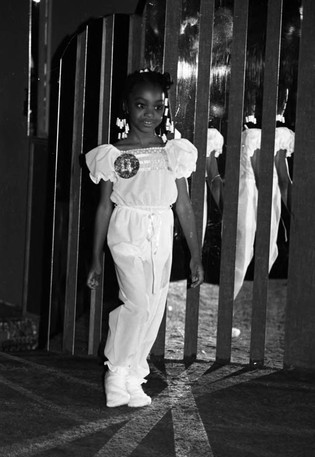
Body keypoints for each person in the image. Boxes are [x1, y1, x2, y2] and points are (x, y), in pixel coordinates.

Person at [85, 69, 204, 408]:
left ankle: (134, 376)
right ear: (126, 107)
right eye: (141, 105)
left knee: (152, 308)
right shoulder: (115, 154)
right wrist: (95, 257)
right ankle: (116, 369)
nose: (149, 114)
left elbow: (183, 204)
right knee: (135, 303)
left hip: (161, 232)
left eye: (157, 107)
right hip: (127, 230)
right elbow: (104, 208)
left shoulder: (172, 152)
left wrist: (195, 254)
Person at [206, 115, 294, 301]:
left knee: (268, 252)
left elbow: (285, 182)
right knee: (241, 253)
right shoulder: (252, 135)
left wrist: (294, 217)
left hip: (271, 194)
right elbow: (262, 178)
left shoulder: (280, 136)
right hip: (248, 194)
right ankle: (227, 304)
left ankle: (246, 304)